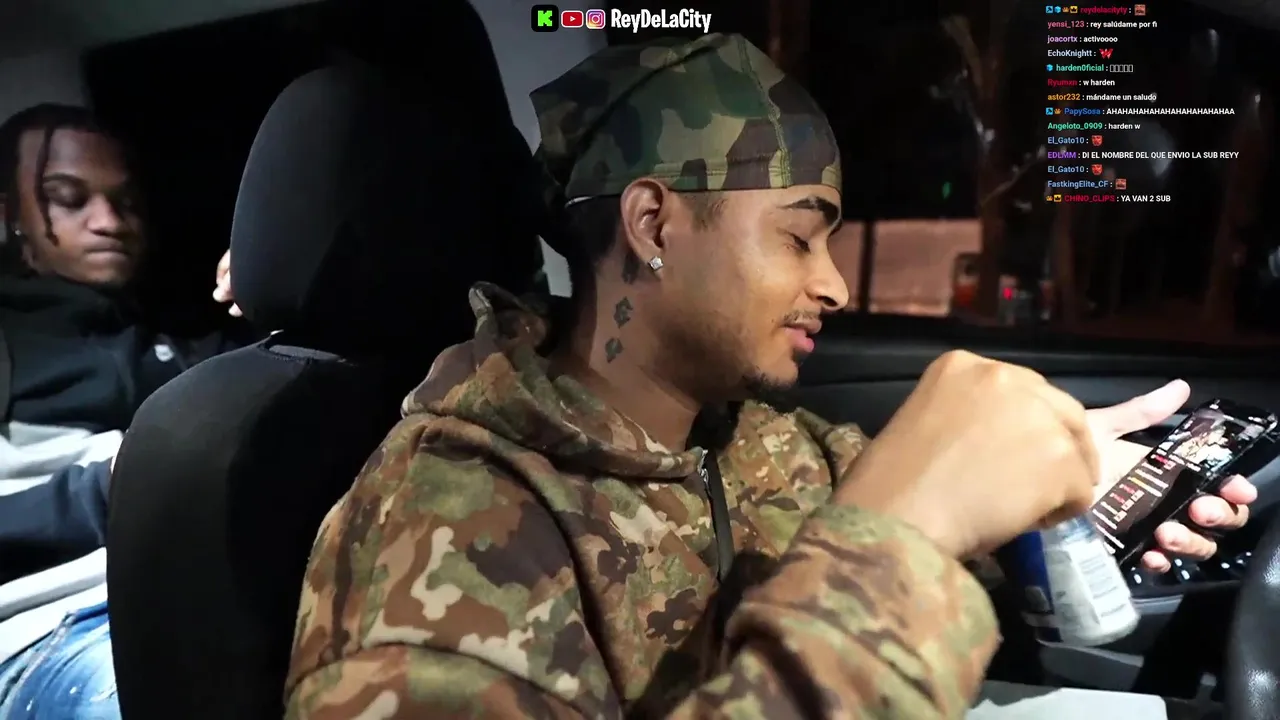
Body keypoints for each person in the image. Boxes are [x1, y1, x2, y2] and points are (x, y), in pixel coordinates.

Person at [284, 35, 1256, 718]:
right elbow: (884, 549)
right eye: (797, 237)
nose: (833, 285)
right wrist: (899, 551)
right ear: (653, 225)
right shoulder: (449, 517)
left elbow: (910, 525)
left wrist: (1066, 503)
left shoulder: (760, 441)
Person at [0, 103, 242, 718]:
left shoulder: (179, 349)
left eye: (125, 202)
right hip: (51, 631)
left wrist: (273, 304)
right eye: (69, 198)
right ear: (9, 216)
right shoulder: (10, 349)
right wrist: (112, 488)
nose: (108, 221)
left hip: (211, 597)